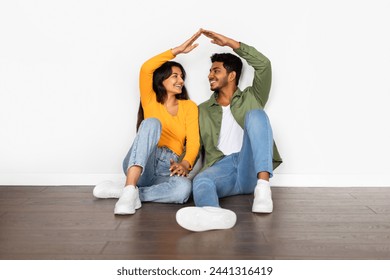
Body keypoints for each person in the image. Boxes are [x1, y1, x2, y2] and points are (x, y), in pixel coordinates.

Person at [176, 29, 282, 231]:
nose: (209, 75)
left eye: (216, 70)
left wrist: (231, 43)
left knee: (256, 115)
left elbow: (264, 65)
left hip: (249, 165)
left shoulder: (253, 97)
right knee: (202, 180)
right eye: (210, 71)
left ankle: (263, 189)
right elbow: (195, 145)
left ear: (231, 75)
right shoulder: (202, 110)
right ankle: (213, 215)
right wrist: (184, 163)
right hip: (221, 166)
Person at [93, 31, 201, 215]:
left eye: (182, 77)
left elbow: (194, 143)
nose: (181, 80)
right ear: (162, 79)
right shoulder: (150, 100)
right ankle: (130, 188)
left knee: (183, 190)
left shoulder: (189, 106)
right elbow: (146, 69)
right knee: (151, 122)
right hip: (143, 162)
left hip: (169, 167)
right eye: (175, 76)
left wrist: (185, 164)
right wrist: (177, 51)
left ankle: (127, 191)